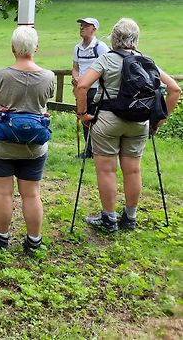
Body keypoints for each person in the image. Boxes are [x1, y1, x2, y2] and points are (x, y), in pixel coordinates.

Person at [76, 18, 180, 232]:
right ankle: (130, 218)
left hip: (107, 120)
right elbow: (174, 89)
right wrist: (160, 118)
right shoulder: (145, 61)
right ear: (136, 39)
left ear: (114, 38)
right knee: (133, 171)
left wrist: (83, 114)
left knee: (107, 170)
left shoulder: (106, 59)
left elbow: (83, 85)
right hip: (139, 122)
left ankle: (109, 219)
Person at [0, 26, 54, 253]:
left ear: (13, 48)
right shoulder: (48, 76)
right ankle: (34, 241)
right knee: (32, 193)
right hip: (34, 144)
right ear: (36, 48)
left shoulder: (1, 75)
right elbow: (44, 101)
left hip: (1, 142)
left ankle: (1, 239)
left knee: (3, 193)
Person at [71, 17, 108, 158]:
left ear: (94, 29)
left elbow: (107, 67)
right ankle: (89, 150)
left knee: (94, 119)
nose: (82, 28)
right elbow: (75, 67)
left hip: (96, 89)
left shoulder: (101, 47)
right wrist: (75, 77)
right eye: (81, 25)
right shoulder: (77, 48)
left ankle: (94, 150)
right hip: (81, 90)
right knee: (83, 117)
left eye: (86, 26)